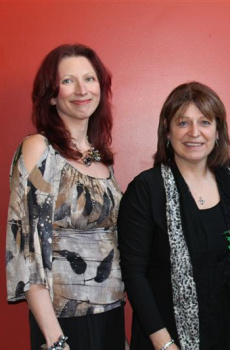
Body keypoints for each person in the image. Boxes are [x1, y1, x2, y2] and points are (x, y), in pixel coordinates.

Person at [117, 81, 230, 350]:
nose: (194, 133)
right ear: (167, 130)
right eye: (183, 123)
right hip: (168, 341)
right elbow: (134, 275)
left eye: (205, 122)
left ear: (218, 130)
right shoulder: (146, 189)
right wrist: (164, 344)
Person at [5, 44, 125, 350]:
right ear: (52, 94)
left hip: (111, 313)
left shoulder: (102, 160)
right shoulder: (39, 150)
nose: (82, 89)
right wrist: (55, 339)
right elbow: (27, 248)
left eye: (90, 78)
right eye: (68, 80)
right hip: (65, 321)